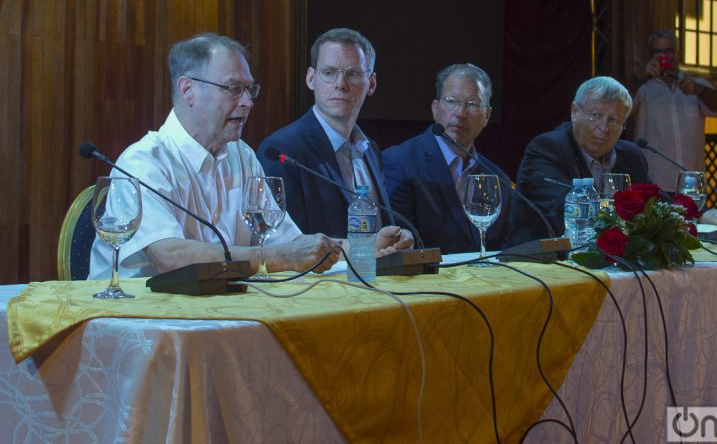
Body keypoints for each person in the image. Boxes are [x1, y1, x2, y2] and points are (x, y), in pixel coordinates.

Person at [89, 33, 410, 280]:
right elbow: (169, 256)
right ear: (188, 90)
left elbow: (295, 242)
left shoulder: (241, 156)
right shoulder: (144, 162)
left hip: (218, 315)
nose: (247, 102)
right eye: (233, 89)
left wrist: (365, 249)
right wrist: (279, 258)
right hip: (140, 325)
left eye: (250, 90)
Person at [258, 28, 400, 240]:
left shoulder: (371, 150)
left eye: (353, 74)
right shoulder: (283, 151)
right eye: (329, 73)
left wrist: (397, 239)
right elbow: (286, 243)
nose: (340, 85)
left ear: (371, 83)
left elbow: (379, 233)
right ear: (311, 78)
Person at [382, 63, 512, 254]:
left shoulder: (498, 179)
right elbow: (401, 245)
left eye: (473, 104)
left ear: (487, 116)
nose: (461, 113)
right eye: (451, 101)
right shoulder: (399, 162)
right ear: (435, 108)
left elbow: (506, 249)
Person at [511, 76, 651, 245]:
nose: (604, 127)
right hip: (544, 261)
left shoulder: (631, 156)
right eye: (596, 115)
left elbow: (654, 206)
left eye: (614, 120)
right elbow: (564, 212)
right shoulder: (547, 149)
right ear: (575, 112)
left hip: (615, 261)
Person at [631, 29, 717, 190]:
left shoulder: (695, 84)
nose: (664, 56)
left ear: (677, 53)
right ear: (650, 55)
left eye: (669, 51)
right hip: (654, 181)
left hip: (691, 182)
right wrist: (640, 77)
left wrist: (699, 90)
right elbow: (621, 108)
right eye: (658, 52)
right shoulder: (643, 88)